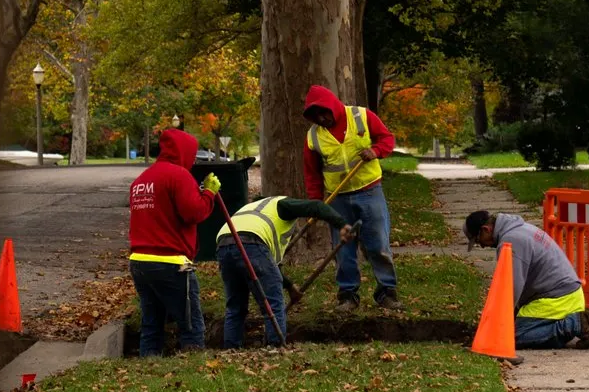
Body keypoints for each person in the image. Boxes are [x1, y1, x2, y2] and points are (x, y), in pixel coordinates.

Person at [302, 84, 399, 311]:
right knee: (343, 249)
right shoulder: (313, 137)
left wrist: (375, 151)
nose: (321, 120)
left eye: (323, 114)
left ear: (332, 106)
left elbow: (387, 139)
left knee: (378, 245)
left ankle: (387, 292)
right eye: (315, 117)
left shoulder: (361, 116)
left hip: (370, 192)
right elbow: (312, 173)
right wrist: (316, 203)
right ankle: (348, 295)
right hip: (338, 199)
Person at [128, 128, 221, 356]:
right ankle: (193, 369)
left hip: (139, 262)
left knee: (151, 323)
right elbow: (193, 213)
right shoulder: (179, 175)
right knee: (190, 323)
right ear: (185, 152)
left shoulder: (141, 180)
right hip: (171, 262)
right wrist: (209, 193)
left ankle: (148, 369)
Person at [216, 196, 355, 348]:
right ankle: (275, 347)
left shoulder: (248, 211)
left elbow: (268, 268)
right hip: (252, 242)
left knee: (235, 305)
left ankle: (230, 348)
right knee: (273, 301)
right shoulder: (280, 204)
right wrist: (341, 224)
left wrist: (289, 287)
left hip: (224, 245)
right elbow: (317, 206)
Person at [463, 210, 589, 349]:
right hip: (567, 294)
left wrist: (495, 326)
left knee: (510, 337)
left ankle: (575, 324)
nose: (481, 246)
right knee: (509, 330)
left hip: (558, 299)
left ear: (486, 229)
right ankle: (572, 323)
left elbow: (511, 288)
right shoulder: (521, 228)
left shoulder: (511, 241)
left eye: (477, 240)